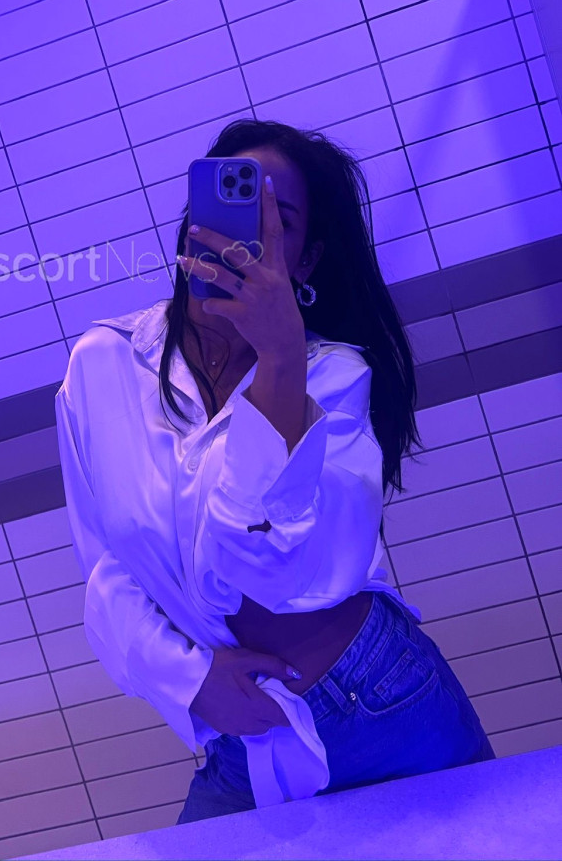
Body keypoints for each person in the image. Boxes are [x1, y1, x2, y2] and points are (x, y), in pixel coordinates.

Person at [56, 117, 494, 824]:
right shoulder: (102, 364)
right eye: (227, 207)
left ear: (306, 260)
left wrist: (282, 362)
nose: (241, 237)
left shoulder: (335, 379)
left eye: (276, 221)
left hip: (381, 701)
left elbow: (273, 569)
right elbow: (105, 566)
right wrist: (190, 681)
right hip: (245, 736)